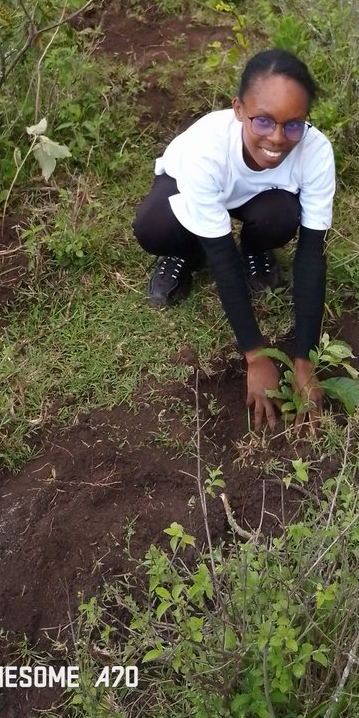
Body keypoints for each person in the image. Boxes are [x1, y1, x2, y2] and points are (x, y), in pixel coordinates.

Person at [133, 49, 335, 432]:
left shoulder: (316, 152)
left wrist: (304, 362)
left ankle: (257, 249)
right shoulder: (207, 150)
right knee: (154, 227)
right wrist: (256, 356)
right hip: (190, 189)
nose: (277, 138)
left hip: (260, 200)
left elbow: (311, 254)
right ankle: (184, 251)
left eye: (293, 125)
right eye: (263, 121)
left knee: (281, 216)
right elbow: (223, 259)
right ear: (239, 109)